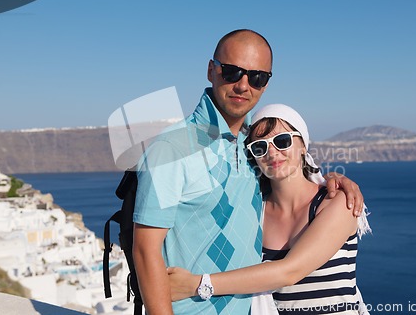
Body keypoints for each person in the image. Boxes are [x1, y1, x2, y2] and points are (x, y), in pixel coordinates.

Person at [132, 29, 365, 315]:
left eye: (256, 77)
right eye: (231, 72)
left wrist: (335, 181)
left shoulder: (248, 146)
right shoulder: (173, 147)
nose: (243, 85)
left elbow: (291, 173)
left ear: (266, 83)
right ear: (211, 70)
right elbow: (145, 250)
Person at [167, 104, 371, 314]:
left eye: (282, 141)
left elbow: (290, 272)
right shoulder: (255, 211)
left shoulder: (337, 202)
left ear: (303, 146)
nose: (272, 153)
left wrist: (198, 285)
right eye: (259, 147)